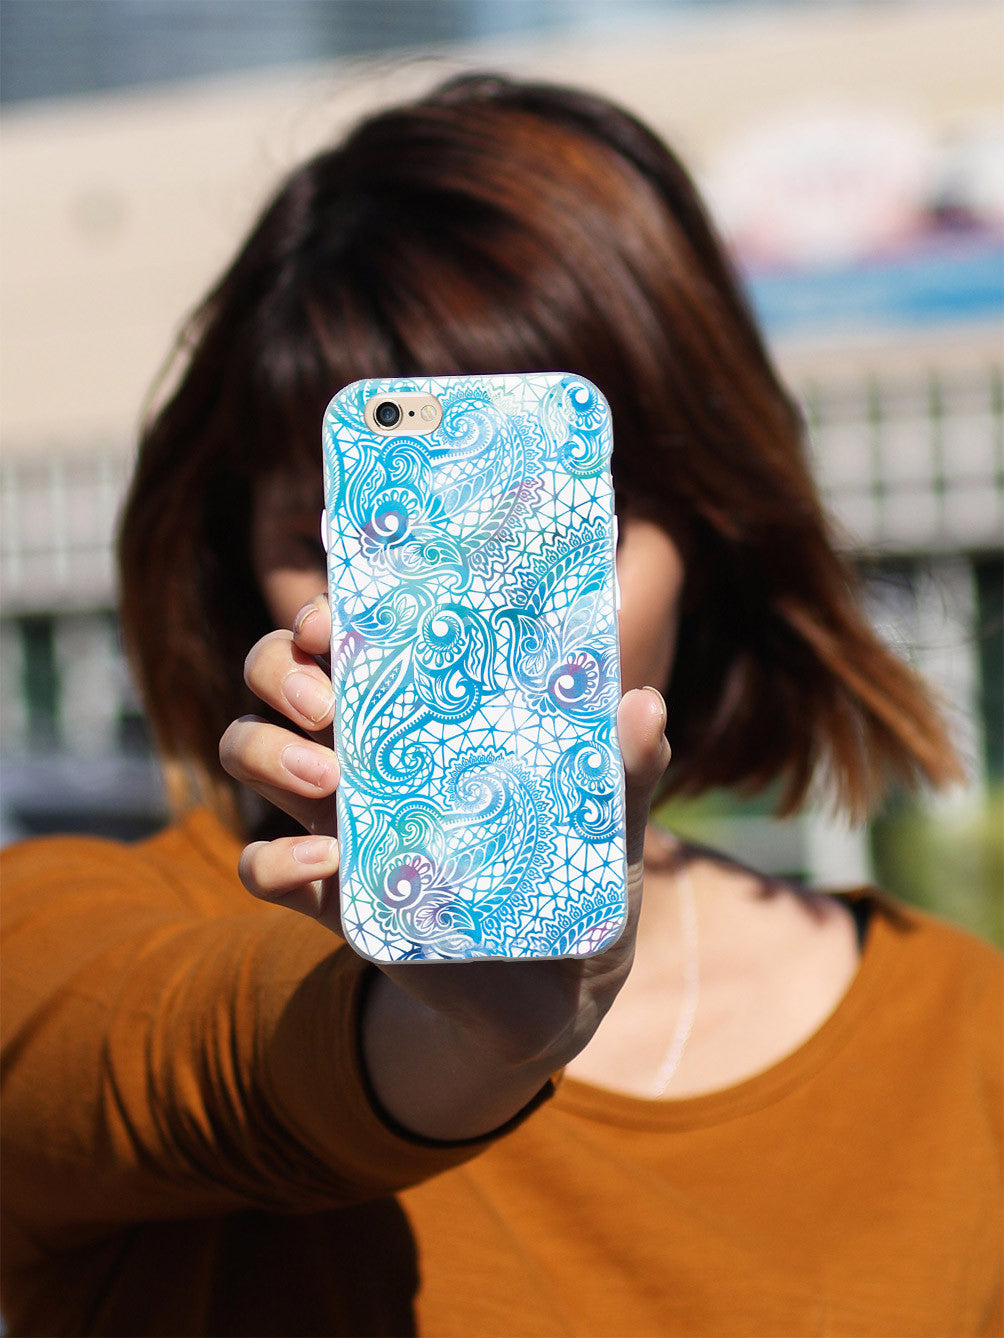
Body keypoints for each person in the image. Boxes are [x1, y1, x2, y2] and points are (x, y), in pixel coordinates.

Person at [2, 73, 1000, 1337]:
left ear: (710, 535)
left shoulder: (964, 1040)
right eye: (359, 541)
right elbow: (184, 1067)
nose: (460, 612)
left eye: (554, 538)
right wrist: (464, 1044)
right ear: (233, 558)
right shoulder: (58, 937)